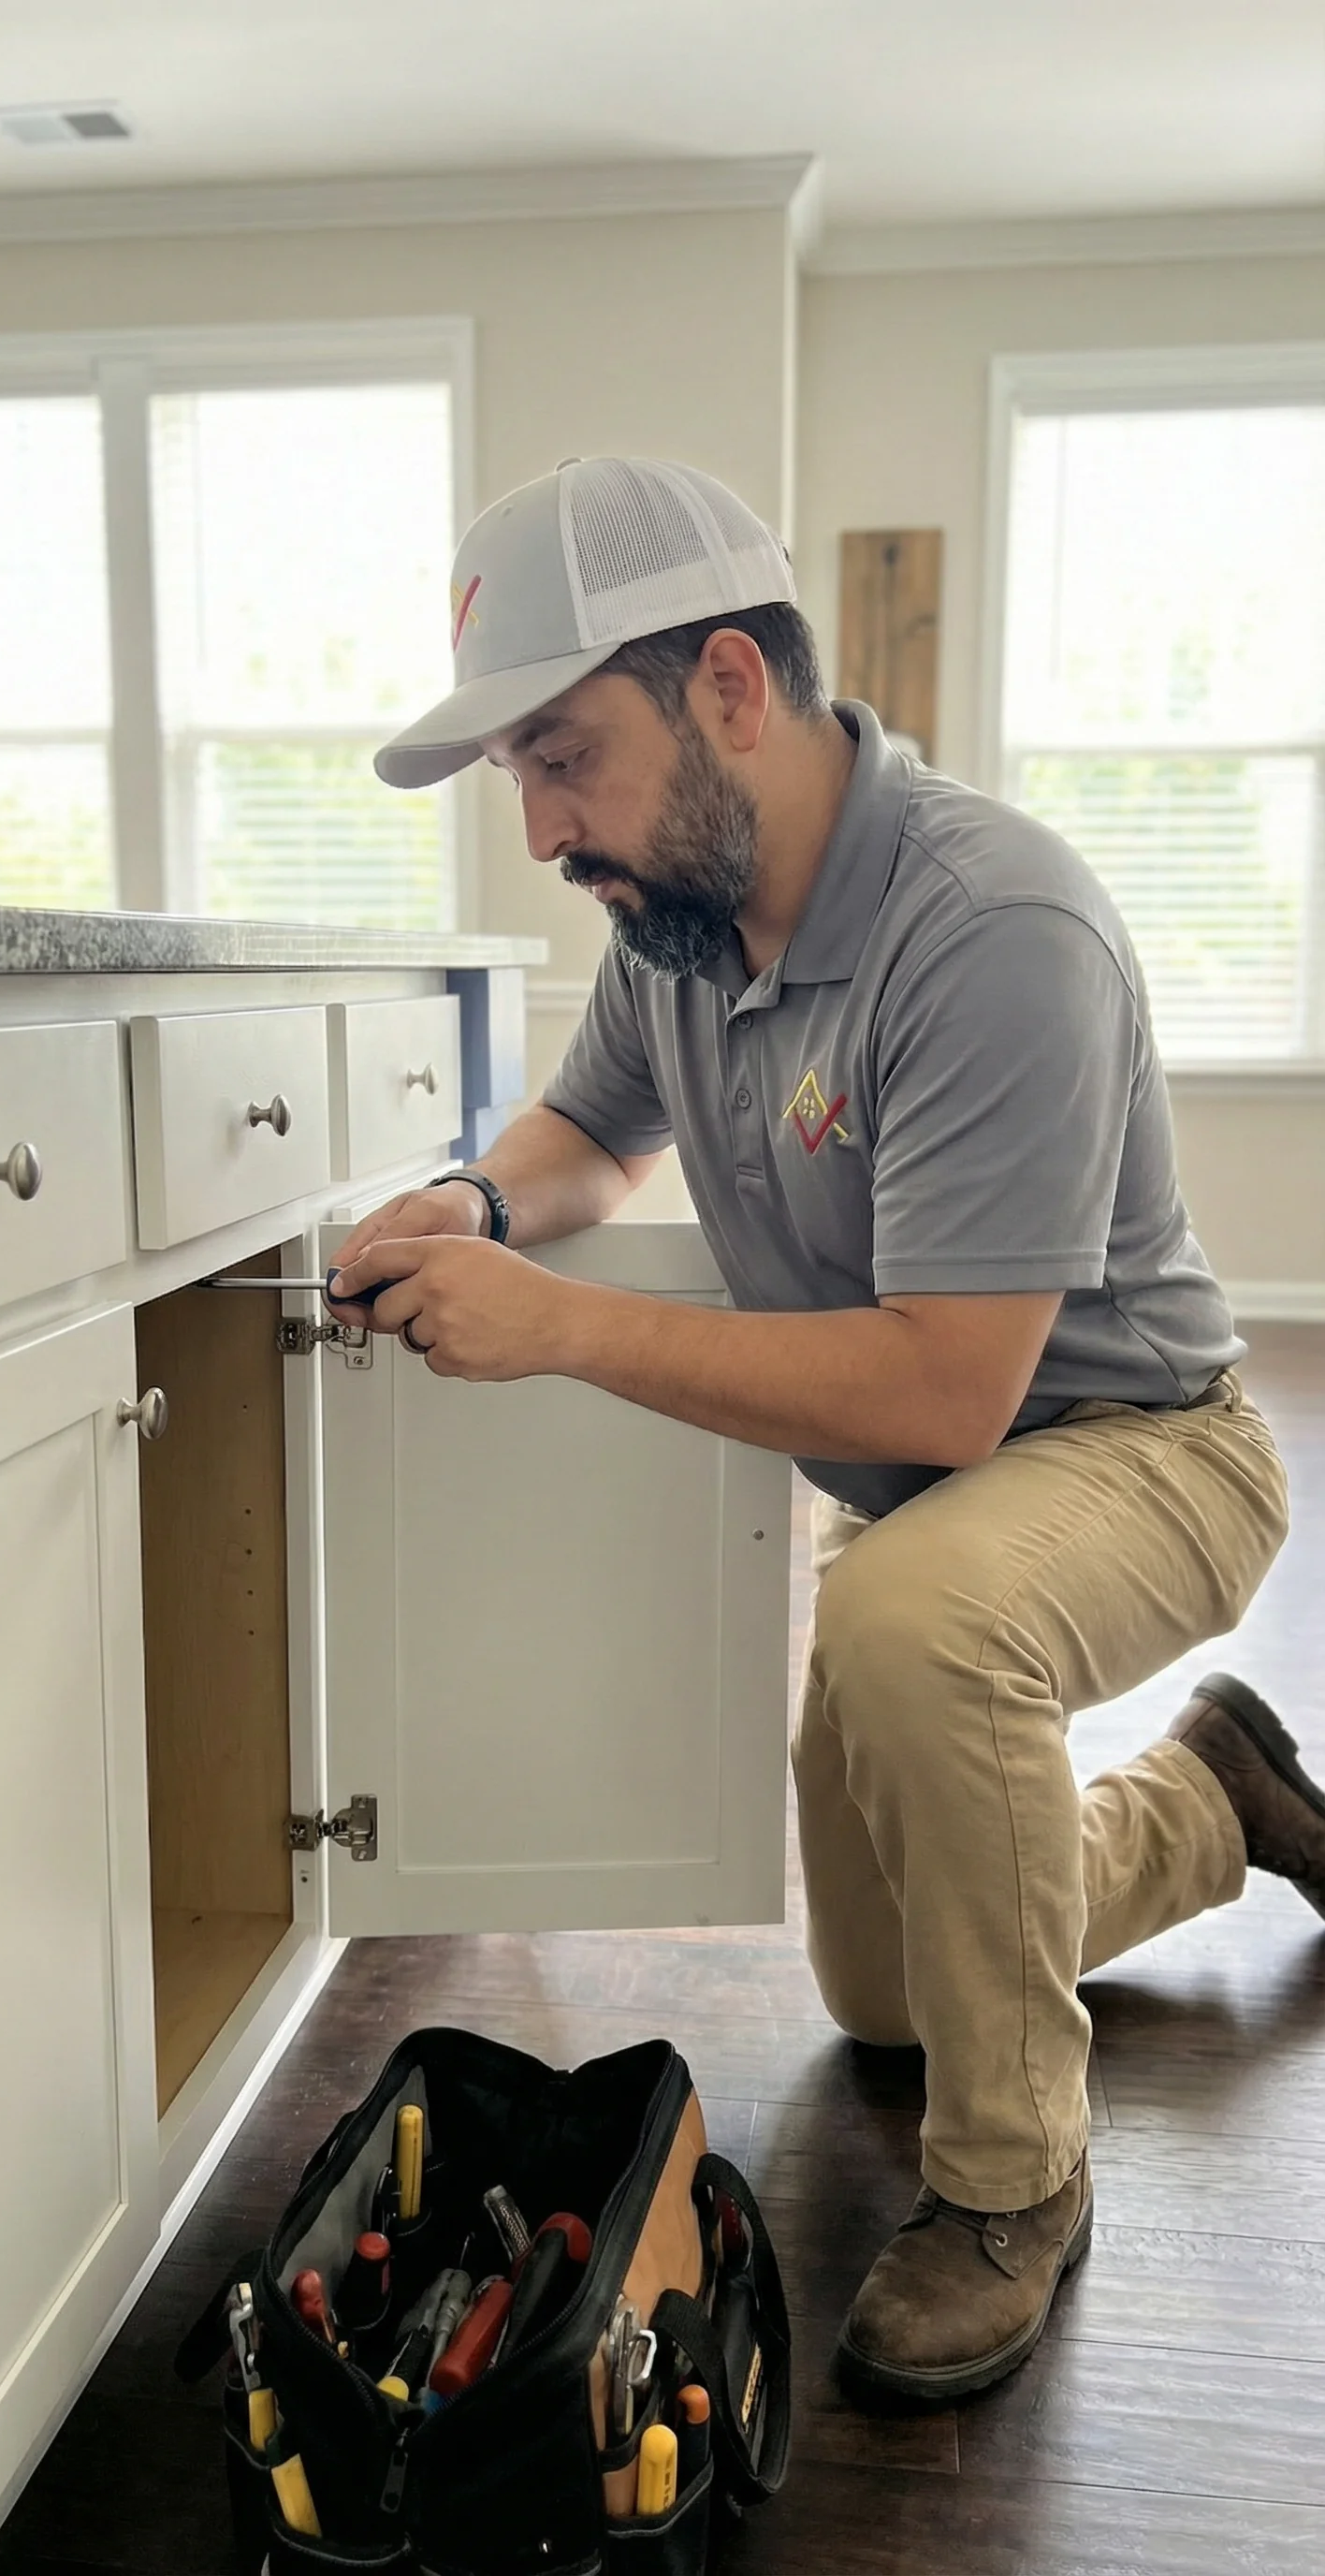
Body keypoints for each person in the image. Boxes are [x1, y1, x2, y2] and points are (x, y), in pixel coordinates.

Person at [328, 456, 1325, 2405]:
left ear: (726, 686)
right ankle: (1217, 1796)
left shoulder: (989, 924)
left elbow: (950, 1379)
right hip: (942, 1497)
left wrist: (557, 1329)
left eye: (562, 755)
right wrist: (476, 1205)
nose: (540, 828)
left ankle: (1016, 2182)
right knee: (885, 1995)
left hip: (1147, 1446)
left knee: (908, 1628)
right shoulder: (683, 927)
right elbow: (588, 1135)